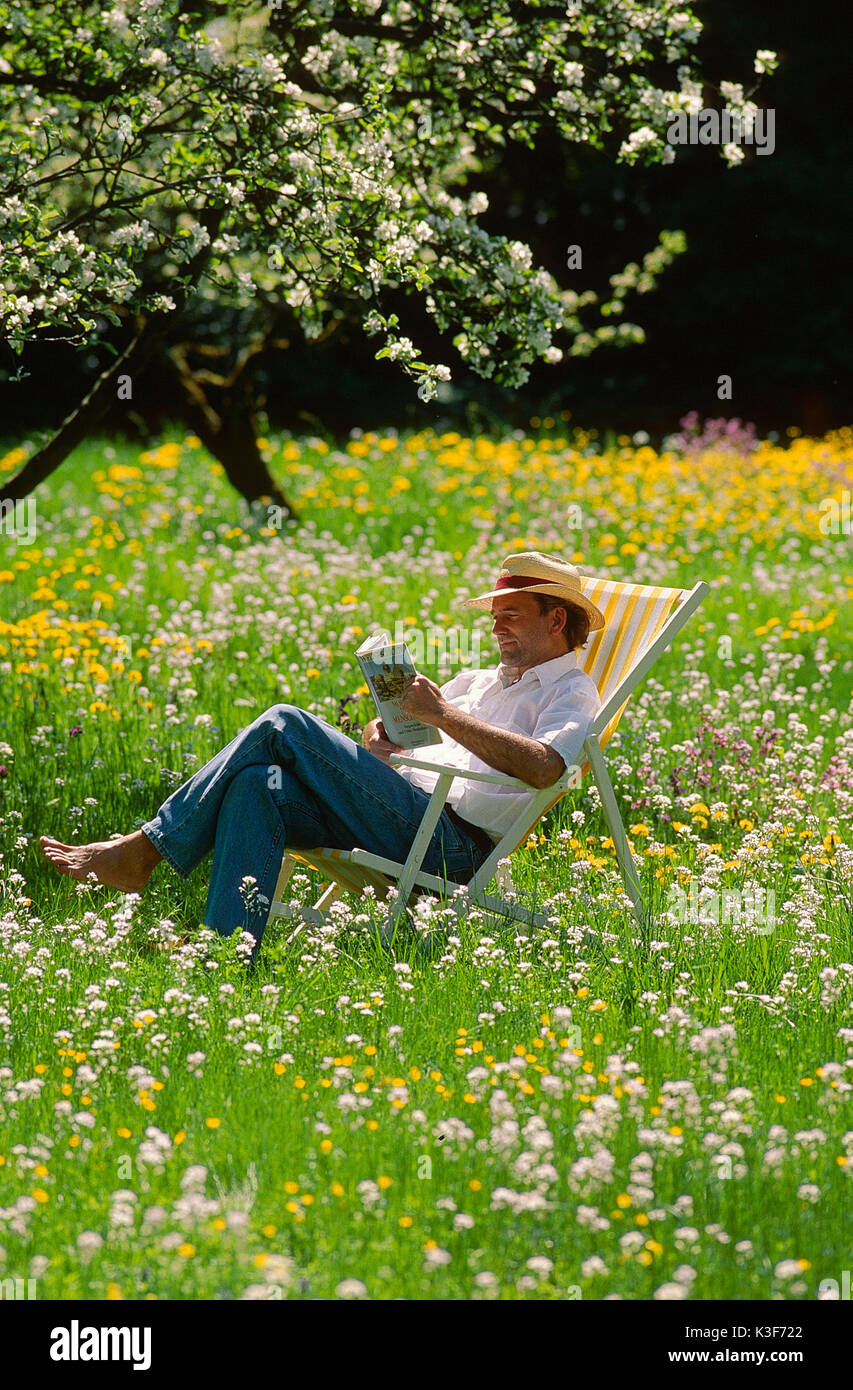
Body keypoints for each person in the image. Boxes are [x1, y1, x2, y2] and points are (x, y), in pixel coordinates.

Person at [40, 551, 605, 953]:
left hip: (451, 848)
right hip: (404, 813)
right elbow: (427, 743)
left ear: (555, 619)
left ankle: (143, 851)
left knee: (283, 721)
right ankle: (227, 951)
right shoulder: (480, 681)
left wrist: (441, 714)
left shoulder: (570, 691)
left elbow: (546, 766)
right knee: (256, 782)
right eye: (494, 618)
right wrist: (384, 745)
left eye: (511, 616)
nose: (497, 628)